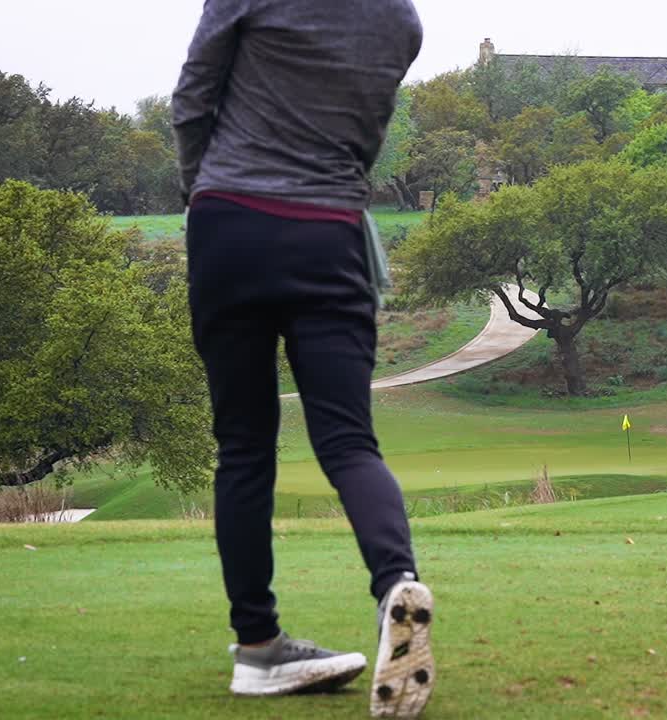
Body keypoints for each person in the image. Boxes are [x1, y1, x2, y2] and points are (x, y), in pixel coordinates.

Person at [172, 1, 432, 716]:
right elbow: (363, 138)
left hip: (230, 226)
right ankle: (396, 585)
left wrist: (205, 190)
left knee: (245, 446)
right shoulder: (402, 21)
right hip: (329, 232)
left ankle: (257, 649)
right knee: (349, 440)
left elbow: (193, 98)